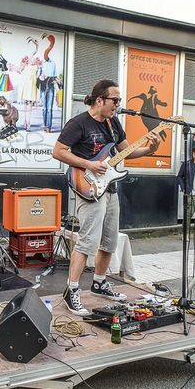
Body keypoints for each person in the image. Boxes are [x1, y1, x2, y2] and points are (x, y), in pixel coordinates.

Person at [52, 79, 161, 316]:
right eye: (115, 100)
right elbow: (58, 152)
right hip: (88, 187)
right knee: (87, 241)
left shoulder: (113, 123)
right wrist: (89, 164)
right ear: (99, 100)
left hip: (110, 188)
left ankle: (99, 283)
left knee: (110, 240)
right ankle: (71, 291)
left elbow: (126, 152)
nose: (118, 104)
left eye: (119, 100)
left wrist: (151, 149)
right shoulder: (78, 123)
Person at [37, 34, 63, 133]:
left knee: (49, 109)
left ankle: (49, 127)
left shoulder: (53, 63)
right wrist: (40, 77)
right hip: (43, 86)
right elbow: (38, 76)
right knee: (44, 108)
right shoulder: (41, 63)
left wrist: (60, 82)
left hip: (51, 85)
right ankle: (45, 125)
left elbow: (55, 76)